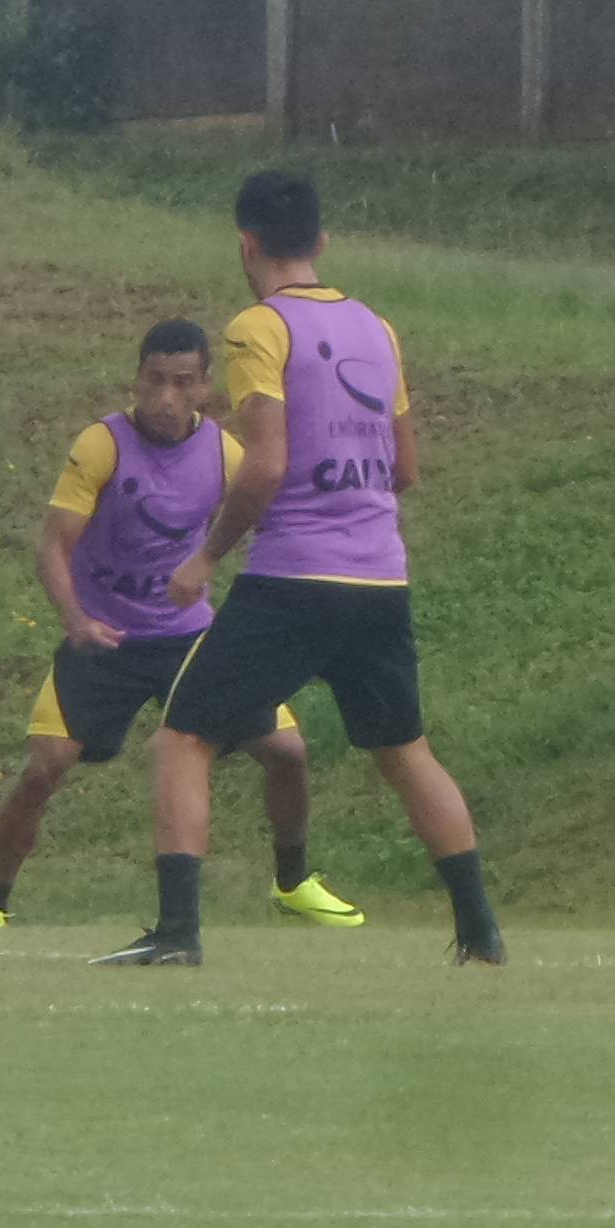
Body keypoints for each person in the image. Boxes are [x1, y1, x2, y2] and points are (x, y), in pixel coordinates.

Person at [97, 172, 505, 968]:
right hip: (380, 577)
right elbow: (407, 468)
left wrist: (205, 557)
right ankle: (481, 931)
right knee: (405, 751)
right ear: (321, 242)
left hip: (294, 576)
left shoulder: (260, 326)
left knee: (183, 737)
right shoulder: (376, 329)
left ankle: (178, 932)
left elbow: (267, 464)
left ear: (246, 243)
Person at [0, 320, 362, 930]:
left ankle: (293, 882)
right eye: (155, 381)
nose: (166, 398)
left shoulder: (228, 455)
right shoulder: (102, 445)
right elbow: (52, 547)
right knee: (45, 765)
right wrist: (76, 621)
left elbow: (277, 527)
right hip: (106, 638)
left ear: (207, 387)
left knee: (287, 751)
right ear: (136, 378)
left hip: (189, 638)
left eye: (183, 383)